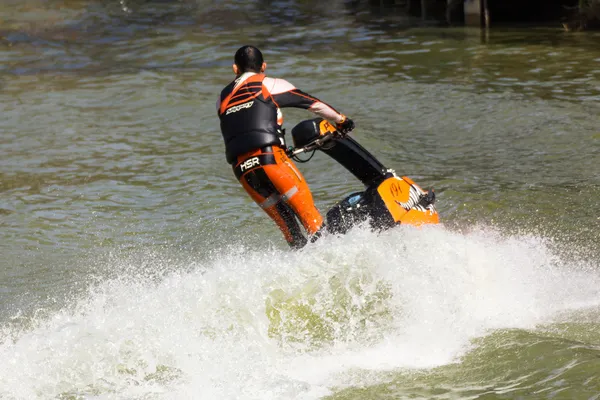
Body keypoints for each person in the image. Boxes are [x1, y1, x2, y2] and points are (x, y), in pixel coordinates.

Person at [216, 45, 355, 249]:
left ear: (235, 69)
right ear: (264, 66)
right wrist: (342, 120)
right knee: (313, 224)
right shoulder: (269, 84)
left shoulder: (222, 98)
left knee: (293, 236)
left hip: (243, 171)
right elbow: (312, 103)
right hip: (271, 160)